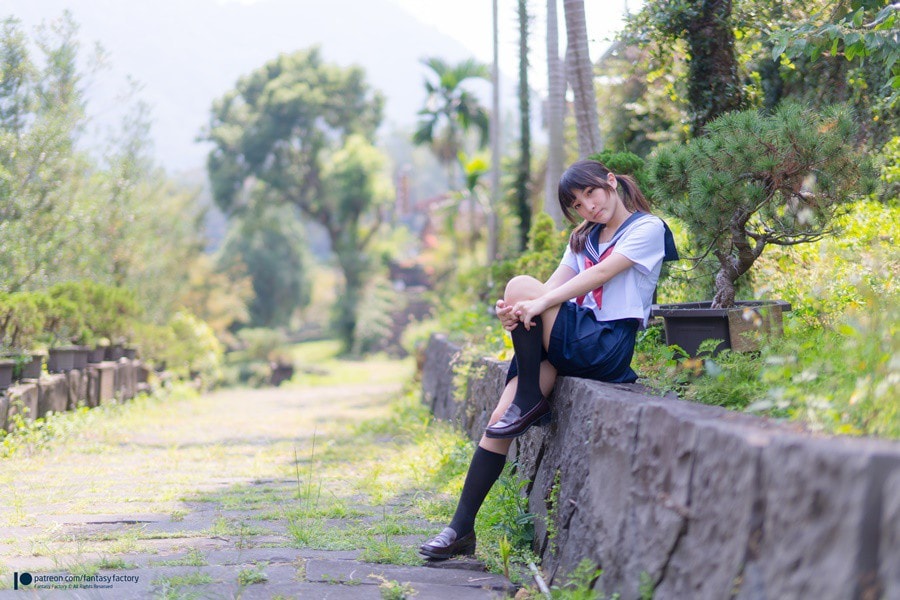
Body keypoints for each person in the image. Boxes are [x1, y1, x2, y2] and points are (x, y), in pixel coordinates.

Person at [418, 158, 677, 560]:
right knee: (499, 420)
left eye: (591, 192)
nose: (588, 206)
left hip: (606, 343)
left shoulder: (647, 228)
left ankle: (529, 399)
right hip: (571, 340)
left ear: (611, 182)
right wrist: (515, 312)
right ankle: (460, 529)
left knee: (522, 286)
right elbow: (552, 287)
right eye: (577, 204)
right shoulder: (583, 238)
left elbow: (599, 275)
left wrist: (531, 302)